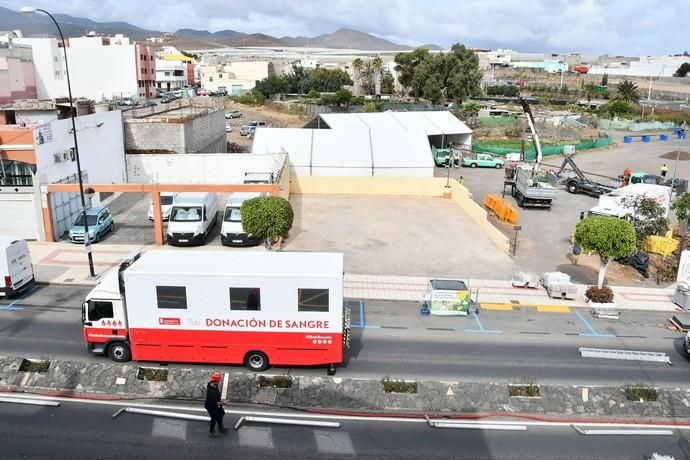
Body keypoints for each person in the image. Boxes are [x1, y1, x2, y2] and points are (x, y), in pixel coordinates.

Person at [205, 372, 227, 436]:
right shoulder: (210, 392)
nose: (219, 382)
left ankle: (220, 426)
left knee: (221, 413)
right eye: (218, 381)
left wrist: (221, 401)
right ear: (215, 381)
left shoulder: (214, 385)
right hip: (210, 406)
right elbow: (214, 402)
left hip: (217, 403)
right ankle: (211, 431)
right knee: (214, 418)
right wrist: (223, 403)